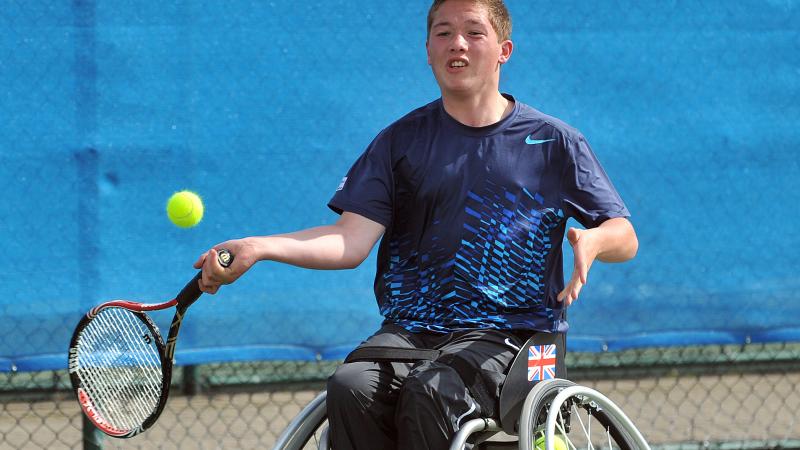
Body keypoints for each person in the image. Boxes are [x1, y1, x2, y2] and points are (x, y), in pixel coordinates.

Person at [195, 0, 638, 448]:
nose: (457, 44)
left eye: (473, 32)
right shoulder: (399, 142)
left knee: (433, 392)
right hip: (412, 332)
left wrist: (596, 240)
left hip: (517, 340)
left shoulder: (553, 143)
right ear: (428, 50)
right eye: (443, 33)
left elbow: (624, 234)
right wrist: (259, 247)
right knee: (351, 388)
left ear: (504, 49)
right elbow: (349, 241)